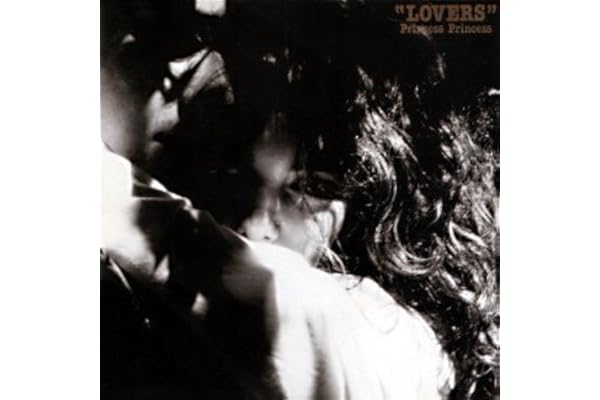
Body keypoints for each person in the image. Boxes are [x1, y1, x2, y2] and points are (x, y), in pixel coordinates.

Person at [101, 1, 499, 399]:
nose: (257, 224)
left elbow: (266, 292)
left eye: (307, 188)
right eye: (239, 179)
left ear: (375, 207)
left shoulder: (392, 338)